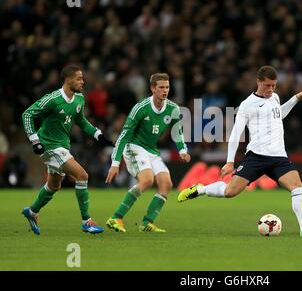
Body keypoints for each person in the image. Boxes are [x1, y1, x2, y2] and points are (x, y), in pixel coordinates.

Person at [177, 66, 302, 237]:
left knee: (297, 186)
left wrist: (295, 99)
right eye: (267, 86)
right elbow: (236, 133)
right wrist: (230, 161)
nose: (271, 90)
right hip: (256, 156)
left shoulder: (275, 97)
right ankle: (201, 190)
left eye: (274, 86)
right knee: (229, 192)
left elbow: (279, 114)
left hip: (279, 157)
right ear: (258, 82)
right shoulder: (247, 105)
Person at [21, 65, 115, 235]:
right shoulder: (52, 99)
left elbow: (81, 121)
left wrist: (98, 135)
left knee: (54, 185)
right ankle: (87, 221)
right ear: (67, 80)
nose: (83, 81)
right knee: (82, 175)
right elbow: (27, 114)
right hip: (49, 146)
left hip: (63, 145)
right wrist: (35, 141)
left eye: (82, 78)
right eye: (79, 78)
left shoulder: (79, 99)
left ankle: (32, 211)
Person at [105, 73, 190, 233]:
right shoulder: (141, 108)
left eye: (167, 87)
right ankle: (116, 217)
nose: (165, 91)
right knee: (147, 180)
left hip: (151, 149)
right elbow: (124, 135)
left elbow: (177, 132)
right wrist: (115, 163)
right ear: (152, 88)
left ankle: (147, 222)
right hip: (134, 147)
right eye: (161, 87)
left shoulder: (173, 108)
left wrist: (182, 150)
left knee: (166, 184)